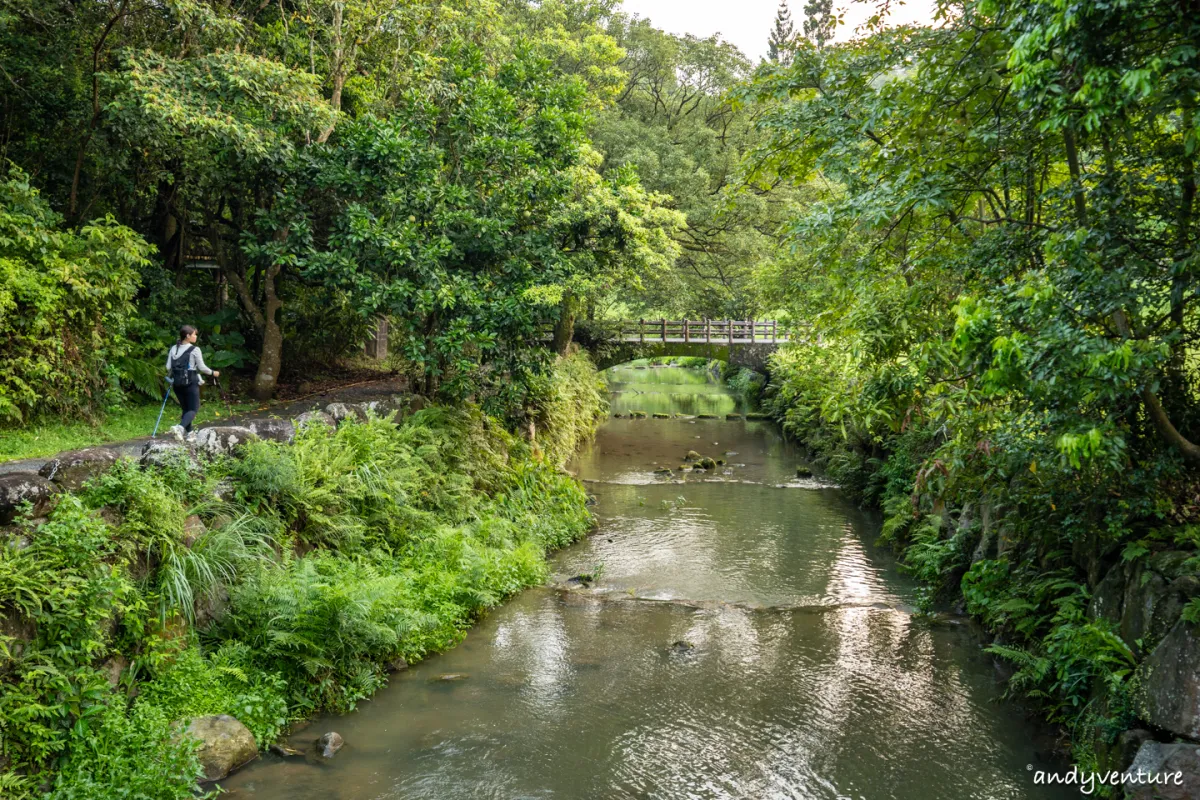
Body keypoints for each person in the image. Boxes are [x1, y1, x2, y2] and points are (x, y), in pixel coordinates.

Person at [165, 324, 219, 440]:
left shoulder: (173, 348)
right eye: (194, 334)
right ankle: (180, 427)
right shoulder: (195, 350)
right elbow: (202, 367)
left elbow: (168, 366)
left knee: (186, 409)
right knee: (194, 409)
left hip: (177, 384)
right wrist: (213, 373)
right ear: (188, 336)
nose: (196, 337)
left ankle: (190, 434)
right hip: (190, 383)